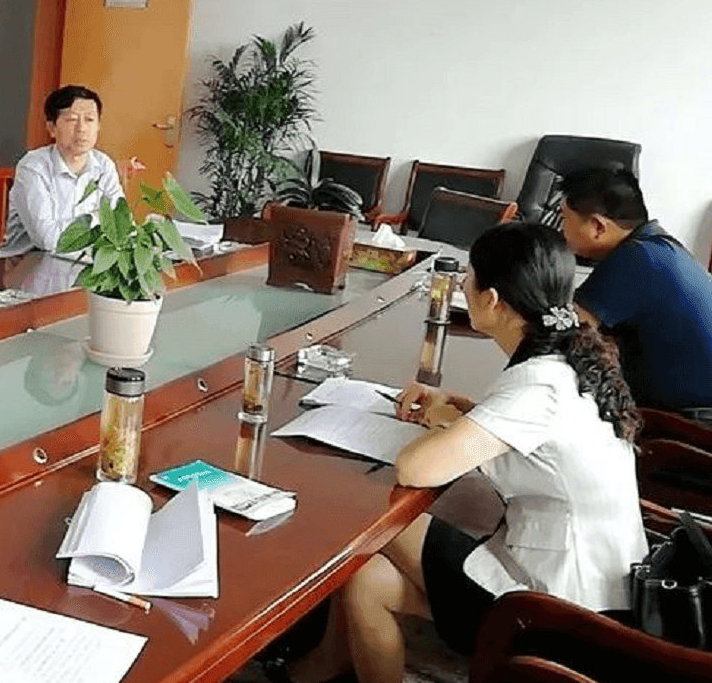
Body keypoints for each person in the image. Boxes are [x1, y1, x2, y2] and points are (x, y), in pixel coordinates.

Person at [278, 222, 646, 683]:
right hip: (590, 588)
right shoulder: (567, 358)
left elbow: (415, 468)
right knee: (368, 579)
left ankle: (308, 658)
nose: (462, 288)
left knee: (362, 515)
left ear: (491, 299)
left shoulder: (540, 386)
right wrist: (462, 412)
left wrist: (443, 422)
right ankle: (322, 668)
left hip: (552, 611)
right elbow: (528, 434)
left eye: (468, 279)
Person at [559, 166, 712, 418]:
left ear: (598, 227)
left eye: (564, 219)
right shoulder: (659, 245)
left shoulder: (636, 259)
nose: (561, 229)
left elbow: (561, 331)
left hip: (689, 422)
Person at [0, 85, 126, 257]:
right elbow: (48, 240)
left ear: (98, 126)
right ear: (52, 128)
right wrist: (100, 218)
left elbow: (120, 225)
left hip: (83, 262)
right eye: (72, 120)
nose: (81, 128)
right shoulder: (33, 167)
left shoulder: (103, 164)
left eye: (89, 119)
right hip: (28, 264)